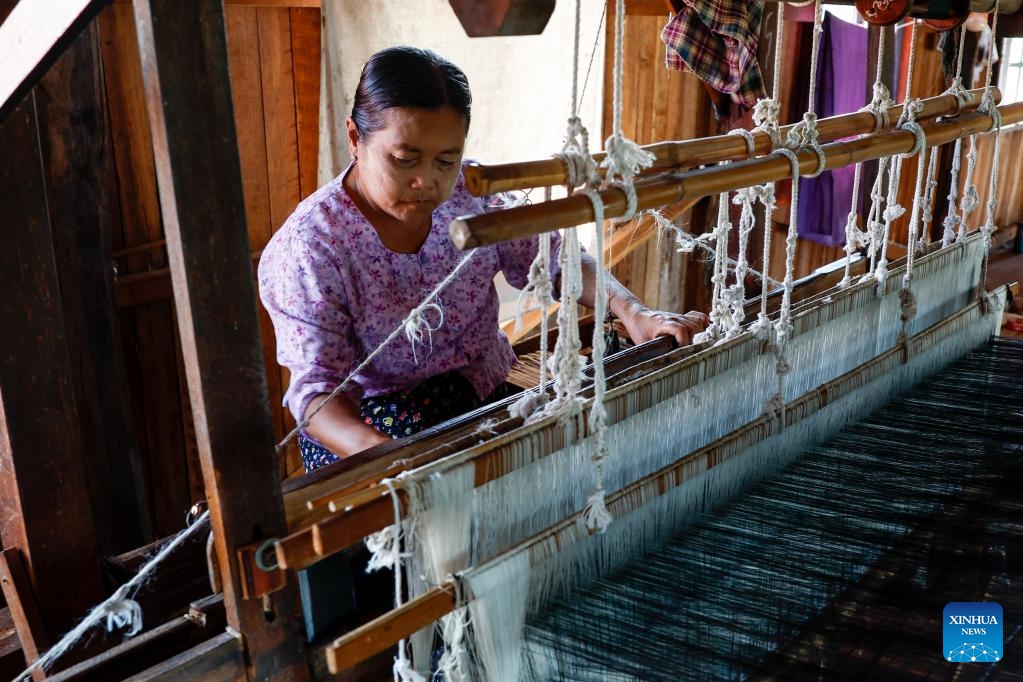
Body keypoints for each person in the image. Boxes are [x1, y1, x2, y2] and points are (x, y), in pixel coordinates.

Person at [259, 46, 708, 473]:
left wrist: (635, 312)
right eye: (405, 159)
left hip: (481, 396)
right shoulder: (311, 249)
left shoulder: (469, 194)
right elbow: (317, 396)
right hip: (369, 430)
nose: (427, 181)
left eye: (445, 160)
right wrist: (389, 457)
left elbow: (554, 257)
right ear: (355, 138)